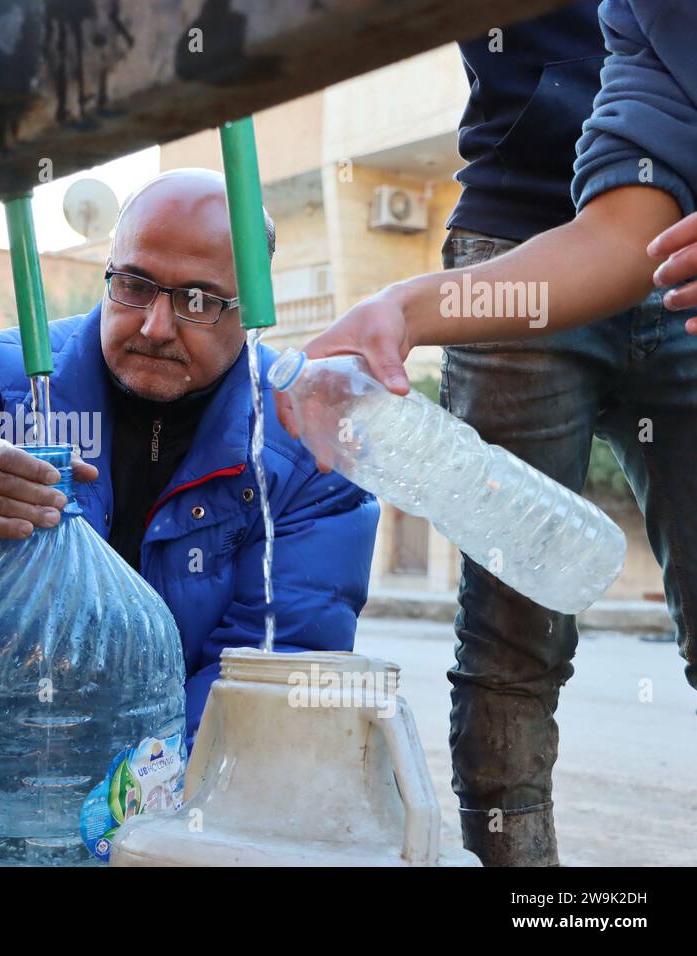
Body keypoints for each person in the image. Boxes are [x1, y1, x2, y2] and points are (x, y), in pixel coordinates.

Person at [0, 169, 379, 832]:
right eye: (134, 284)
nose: (155, 325)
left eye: (198, 299)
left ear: (253, 304)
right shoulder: (9, 378)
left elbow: (272, 675)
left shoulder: (301, 443)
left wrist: (122, 799)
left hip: (160, 747)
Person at [278, 0, 697, 865]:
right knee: (514, 634)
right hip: (548, 241)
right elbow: (626, 232)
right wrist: (404, 307)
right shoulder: (640, 28)